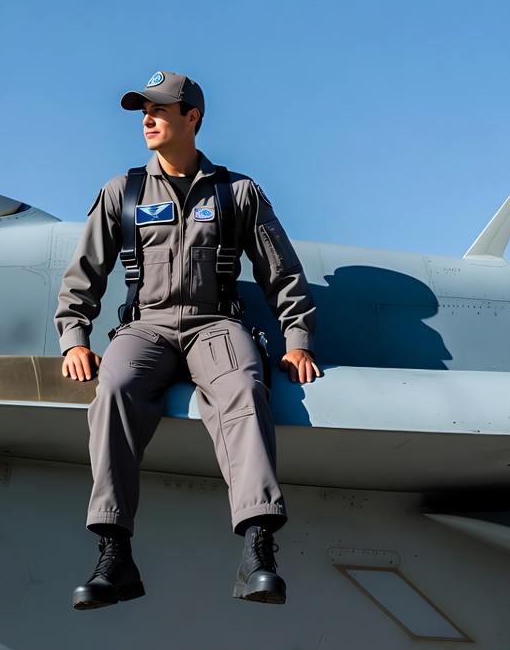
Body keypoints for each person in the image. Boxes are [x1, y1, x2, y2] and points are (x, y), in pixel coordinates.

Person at [55, 70, 320, 610]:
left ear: (192, 117)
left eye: (159, 109)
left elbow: (282, 272)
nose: (147, 119)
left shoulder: (235, 192)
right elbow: (83, 275)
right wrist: (74, 338)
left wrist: (297, 338)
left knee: (246, 389)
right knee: (113, 390)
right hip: (145, 326)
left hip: (214, 324)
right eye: (142, 111)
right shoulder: (121, 192)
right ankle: (114, 554)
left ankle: (257, 550)